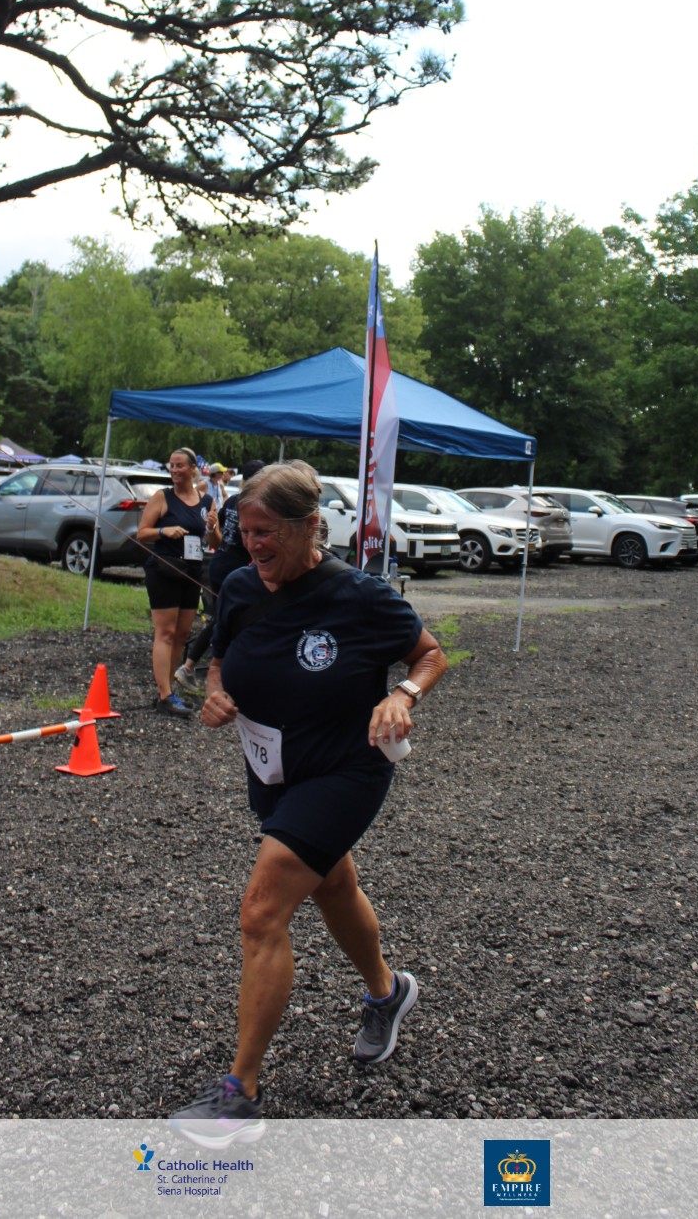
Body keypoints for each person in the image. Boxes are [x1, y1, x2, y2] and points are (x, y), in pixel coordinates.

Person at [169, 460, 447, 1145]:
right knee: (332, 885)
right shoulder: (240, 585)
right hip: (272, 769)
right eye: (245, 530)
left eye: (266, 532)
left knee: (262, 911)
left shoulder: (361, 595)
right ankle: (388, 993)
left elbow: (429, 655)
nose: (253, 544)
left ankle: (238, 1094)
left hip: (346, 769)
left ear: (308, 526)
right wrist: (216, 695)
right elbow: (221, 660)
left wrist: (402, 696)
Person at [174, 457, 267, 695]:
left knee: (225, 617)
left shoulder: (234, 501)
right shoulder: (255, 504)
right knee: (225, 619)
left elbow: (217, 533)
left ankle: (206, 668)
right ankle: (191, 666)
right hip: (234, 566)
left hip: (220, 562)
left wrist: (212, 529)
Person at [136, 447, 214, 716]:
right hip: (165, 569)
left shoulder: (206, 501)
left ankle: (169, 691)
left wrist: (212, 528)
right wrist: (164, 530)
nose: (175, 470)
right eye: (172, 465)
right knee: (166, 632)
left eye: (180, 465)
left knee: (182, 633)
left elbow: (214, 542)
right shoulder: (163, 497)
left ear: (193, 469)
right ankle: (165, 695)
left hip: (192, 570)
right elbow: (142, 533)